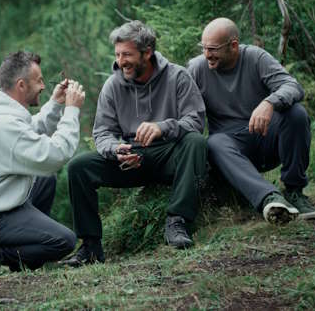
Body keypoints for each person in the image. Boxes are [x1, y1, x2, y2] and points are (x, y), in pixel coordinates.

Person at [63, 21, 208, 267]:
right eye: (118, 54)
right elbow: (102, 132)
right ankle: (90, 247)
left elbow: (195, 121)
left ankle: (177, 222)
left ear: (147, 52)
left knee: (195, 142)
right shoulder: (113, 85)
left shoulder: (177, 77)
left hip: (169, 153)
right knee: (79, 166)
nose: (121, 61)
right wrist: (115, 150)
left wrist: (163, 127)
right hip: (131, 158)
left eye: (127, 54)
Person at [0, 51, 86, 273]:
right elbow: (55, 155)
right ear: (21, 85)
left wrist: (55, 104)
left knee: (46, 180)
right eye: (39, 80)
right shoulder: (5, 125)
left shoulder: (3, 114)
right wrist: (71, 111)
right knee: (64, 241)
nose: (43, 85)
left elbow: (31, 130)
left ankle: (17, 255)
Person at [187, 17, 315, 224]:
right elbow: (181, 106)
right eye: (203, 48)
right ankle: (270, 199)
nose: (206, 54)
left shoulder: (256, 58)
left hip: (266, 137)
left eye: (212, 49)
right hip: (231, 149)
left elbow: (293, 87)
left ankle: (295, 192)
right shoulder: (196, 69)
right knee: (213, 142)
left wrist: (269, 102)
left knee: (296, 114)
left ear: (234, 45)